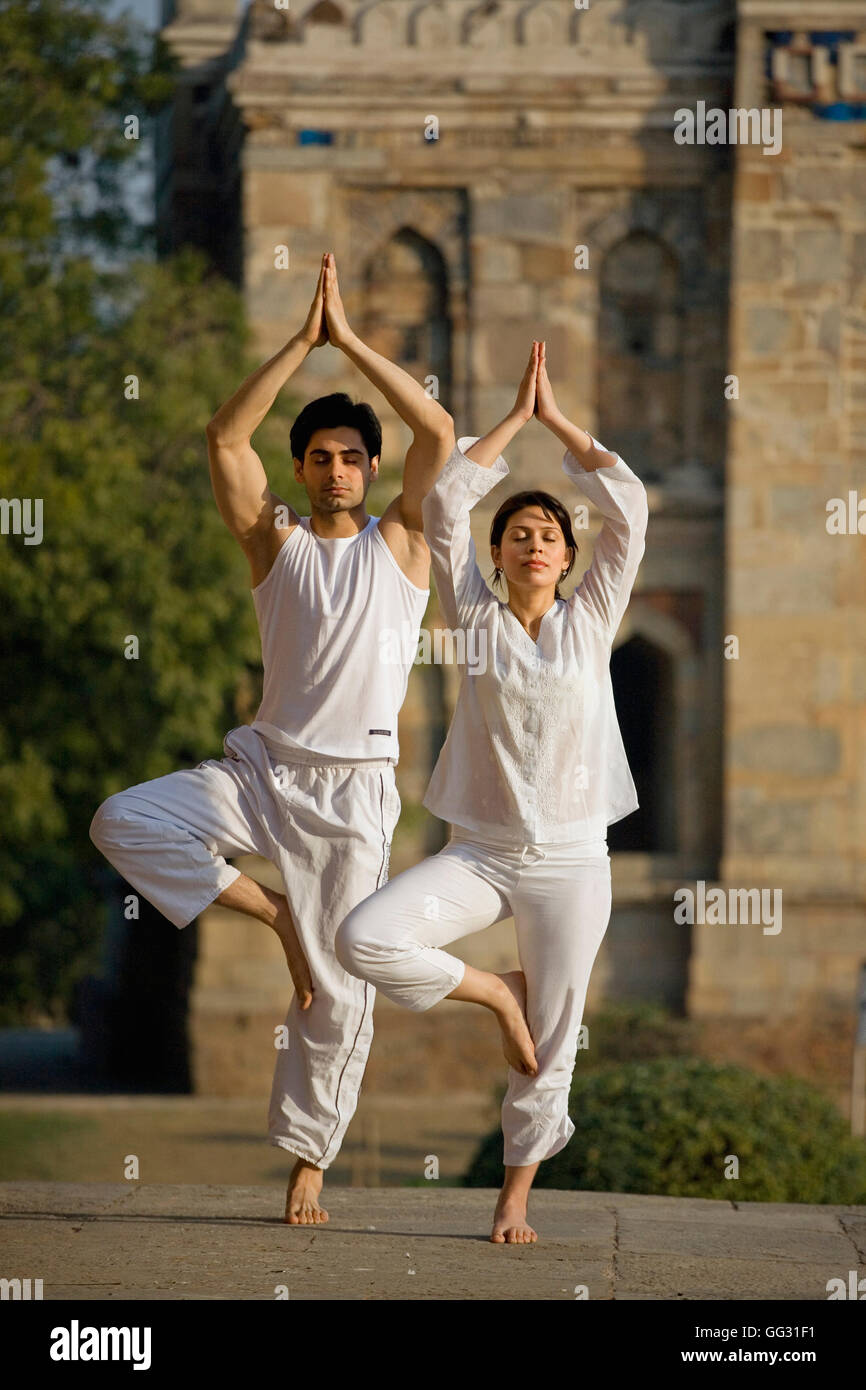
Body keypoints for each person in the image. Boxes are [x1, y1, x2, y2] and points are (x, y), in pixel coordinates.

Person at [89, 253, 455, 1224]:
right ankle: (275, 913)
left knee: (337, 990)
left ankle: (308, 1161)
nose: (336, 468)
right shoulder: (273, 540)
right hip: (260, 769)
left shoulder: (405, 542)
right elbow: (222, 433)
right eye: (320, 456)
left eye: (350, 456)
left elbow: (439, 430)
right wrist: (300, 340)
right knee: (122, 820)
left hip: (351, 794)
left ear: (369, 469)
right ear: (301, 467)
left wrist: (349, 341)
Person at [336, 339, 648, 1243]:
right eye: (520, 534)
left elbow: (626, 511)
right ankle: (493, 992)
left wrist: (560, 424)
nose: (536, 542)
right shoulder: (472, 613)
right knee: (366, 937)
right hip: (480, 853)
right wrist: (513, 419)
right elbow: (444, 504)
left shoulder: (593, 619)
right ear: (501, 556)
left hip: (572, 861)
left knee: (554, 1043)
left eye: (550, 533)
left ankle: (513, 1200)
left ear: (565, 554)